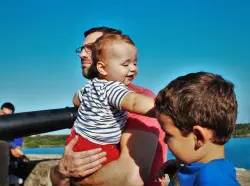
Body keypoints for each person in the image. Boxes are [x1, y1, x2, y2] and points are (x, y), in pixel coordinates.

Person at [50, 27, 167, 186]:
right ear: (102, 67)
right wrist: (61, 171)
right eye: (82, 49)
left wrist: (72, 180)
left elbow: (130, 178)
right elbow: (59, 177)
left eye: (91, 49)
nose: (82, 54)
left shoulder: (137, 96)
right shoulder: (94, 94)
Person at [67, 33, 155, 166]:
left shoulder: (90, 86)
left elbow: (75, 100)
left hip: (77, 139)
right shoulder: (112, 88)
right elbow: (133, 102)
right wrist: (166, 108)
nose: (134, 69)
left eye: (135, 63)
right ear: (102, 68)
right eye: (126, 65)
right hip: (99, 148)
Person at [155, 72, 240, 185]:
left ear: (199, 137)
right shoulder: (209, 170)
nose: (164, 140)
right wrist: (177, 168)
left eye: (168, 134)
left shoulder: (213, 179)